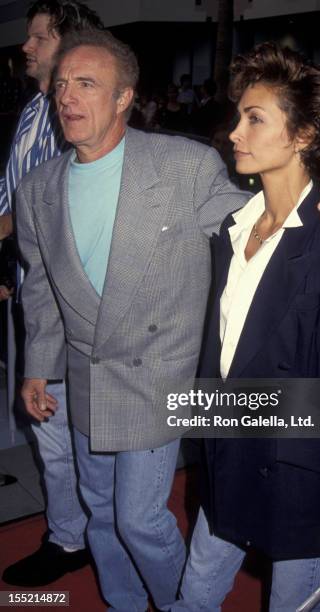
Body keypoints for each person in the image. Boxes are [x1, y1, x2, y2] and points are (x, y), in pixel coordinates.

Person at [16, 29, 320, 610]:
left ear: (125, 98)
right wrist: (38, 367)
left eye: (87, 84)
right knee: (100, 514)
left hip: (160, 376)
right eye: (63, 84)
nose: (67, 97)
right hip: (84, 371)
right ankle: (125, 604)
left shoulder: (183, 165)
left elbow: (261, 221)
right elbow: (43, 288)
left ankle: (183, 603)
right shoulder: (37, 187)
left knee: (141, 519)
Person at [172, 42, 320, 612]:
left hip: (298, 481)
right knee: (193, 599)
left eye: (254, 118)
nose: (234, 132)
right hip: (227, 465)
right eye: (238, 115)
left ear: (304, 135)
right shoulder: (231, 231)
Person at [0, 0, 103, 588]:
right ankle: (76, 531)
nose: (26, 48)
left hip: (67, 307)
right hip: (33, 293)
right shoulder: (32, 111)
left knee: (67, 434)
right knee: (52, 430)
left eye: (38, 37)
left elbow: (47, 213)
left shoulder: (75, 119)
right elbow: (11, 198)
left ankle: (76, 537)